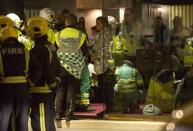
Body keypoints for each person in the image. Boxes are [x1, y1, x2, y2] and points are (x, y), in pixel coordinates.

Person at [0, 26, 42, 131]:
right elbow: (38, 68)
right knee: (22, 118)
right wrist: (31, 83)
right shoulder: (24, 50)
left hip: (5, 87)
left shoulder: (1, 50)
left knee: (4, 117)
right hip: (22, 88)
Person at [55, 14, 90, 120]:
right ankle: (69, 114)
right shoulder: (81, 35)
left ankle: (58, 114)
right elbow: (85, 52)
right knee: (71, 90)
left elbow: (54, 49)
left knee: (60, 89)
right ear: (75, 23)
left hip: (61, 66)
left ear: (65, 23)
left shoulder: (57, 35)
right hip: (75, 67)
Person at [27, 16, 58, 131]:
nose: (28, 31)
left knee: (40, 122)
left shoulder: (39, 49)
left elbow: (43, 69)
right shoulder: (49, 45)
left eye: (29, 29)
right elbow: (57, 67)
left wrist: (30, 83)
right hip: (48, 91)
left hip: (41, 91)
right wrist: (55, 84)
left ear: (36, 30)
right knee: (48, 121)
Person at [91, 16, 115, 113]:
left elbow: (106, 49)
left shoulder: (106, 34)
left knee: (107, 88)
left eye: (98, 23)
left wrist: (96, 55)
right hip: (102, 64)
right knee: (104, 88)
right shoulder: (101, 33)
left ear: (104, 24)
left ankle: (109, 108)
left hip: (106, 64)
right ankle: (107, 108)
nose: (96, 25)